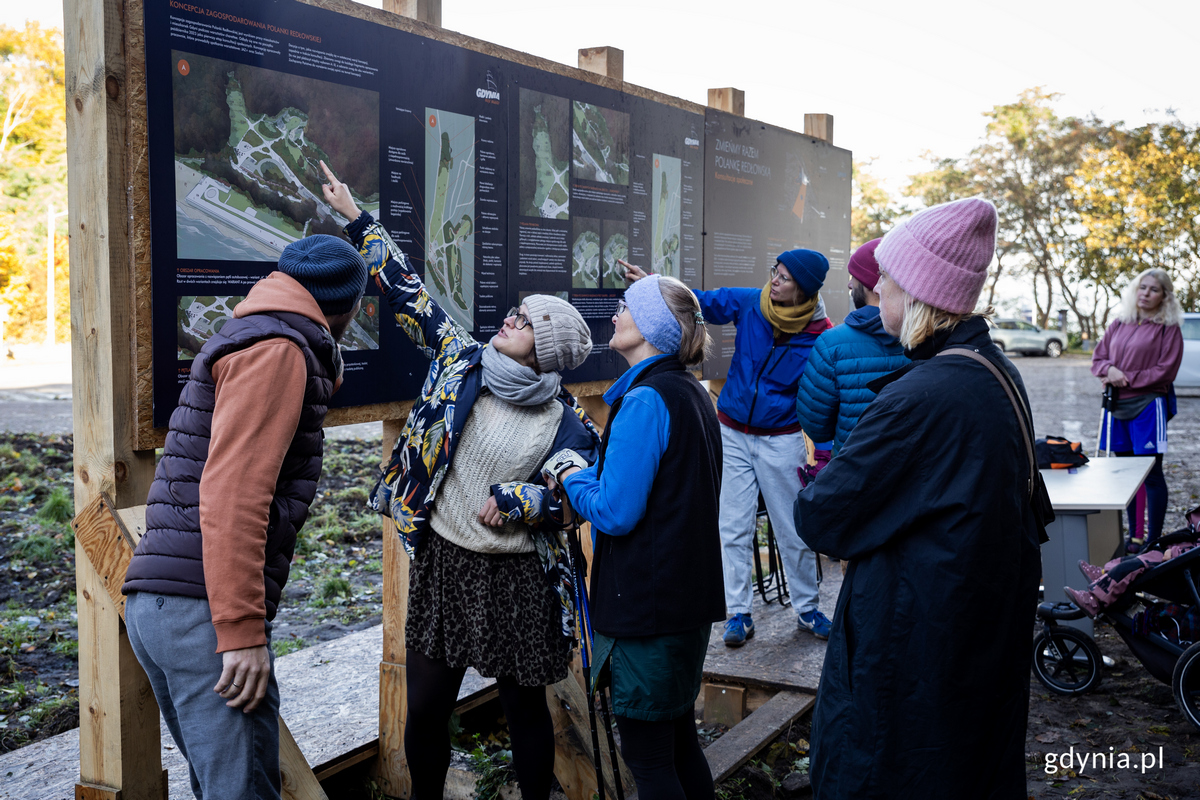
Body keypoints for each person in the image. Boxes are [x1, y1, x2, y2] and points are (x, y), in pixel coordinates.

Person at [319, 163, 599, 800]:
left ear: (547, 351)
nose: (510, 320)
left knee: (525, 712)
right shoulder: (462, 362)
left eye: (526, 322)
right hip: (445, 562)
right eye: (516, 312)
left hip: (517, 579)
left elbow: (575, 500)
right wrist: (357, 219)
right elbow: (409, 295)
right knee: (425, 710)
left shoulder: (569, 424)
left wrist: (523, 500)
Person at [794, 197, 1046, 797]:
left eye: (887, 276)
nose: (874, 287)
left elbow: (822, 518)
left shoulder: (924, 395)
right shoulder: (991, 369)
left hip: (913, 655)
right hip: (968, 645)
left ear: (919, 293)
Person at [122, 234, 369, 798]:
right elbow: (233, 494)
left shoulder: (260, 332)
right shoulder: (278, 352)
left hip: (172, 601)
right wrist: (239, 633)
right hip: (202, 613)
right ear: (352, 306)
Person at [549, 273, 724, 800]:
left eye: (625, 306)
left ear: (650, 326)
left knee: (649, 762)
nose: (615, 314)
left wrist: (569, 474)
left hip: (648, 609)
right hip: (683, 601)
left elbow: (615, 511)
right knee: (678, 743)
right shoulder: (691, 392)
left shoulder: (646, 401)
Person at [621, 251, 833, 647]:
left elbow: (823, 398)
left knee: (791, 527)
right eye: (776, 272)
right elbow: (698, 301)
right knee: (731, 526)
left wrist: (823, 452)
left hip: (781, 437)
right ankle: (739, 613)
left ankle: (808, 609)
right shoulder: (752, 302)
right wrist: (652, 283)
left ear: (803, 289)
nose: (775, 281)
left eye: (785, 279)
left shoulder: (820, 335)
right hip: (732, 432)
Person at [1091, 268, 1184, 549]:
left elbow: (1166, 371)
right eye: (1142, 287)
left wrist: (1124, 378)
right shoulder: (1120, 322)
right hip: (1117, 405)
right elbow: (1098, 359)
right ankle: (1135, 536)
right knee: (1127, 472)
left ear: (1164, 296)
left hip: (1148, 406)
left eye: (1154, 289)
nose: (1146, 293)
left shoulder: (1168, 329)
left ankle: (1153, 540)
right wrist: (1110, 369)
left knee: (1151, 473)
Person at [795, 238, 909, 456]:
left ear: (872, 284)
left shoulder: (832, 344)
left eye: (854, 278)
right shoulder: (924, 337)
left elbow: (815, 424)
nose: (849, 284)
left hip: (851, 468)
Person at [1066, 546, 1194, 618]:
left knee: (1136, 566)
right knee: (1135, 559)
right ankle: (1104, 575)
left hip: (1187, 571)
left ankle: (1094, 601)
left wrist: (1174, 551)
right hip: (1184, 557)